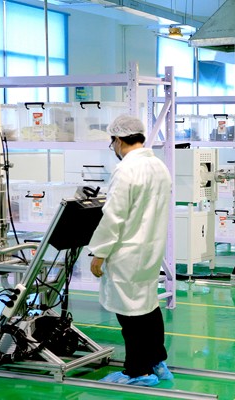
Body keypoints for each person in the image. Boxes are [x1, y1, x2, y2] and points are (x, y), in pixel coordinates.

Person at [89, 115, 174, 386]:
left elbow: (114, 216)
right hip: (150, 249)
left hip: (127, 251)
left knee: (130, 315)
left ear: (117, 140)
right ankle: (157, 362)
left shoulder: (126, 169)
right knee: (148, 305)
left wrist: (99, 252)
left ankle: (138, 371)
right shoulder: (158, 166)